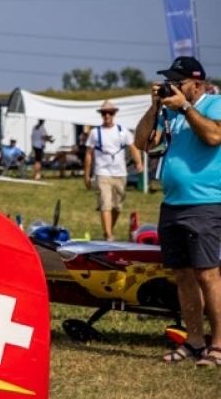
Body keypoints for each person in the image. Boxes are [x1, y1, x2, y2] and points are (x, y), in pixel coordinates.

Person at [134, 56, 221, 366]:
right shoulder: (169, 112)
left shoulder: (215, 105)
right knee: (183, 275)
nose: (173, 87)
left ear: (196, 83)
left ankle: (218, 345)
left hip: (206, 203)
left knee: (208, 274)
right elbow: (142, 142)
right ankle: (195, 341)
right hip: (172, 204)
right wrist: (155, 106)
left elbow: (214, 137)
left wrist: (185, 106)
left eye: (178, 82)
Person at [83, 100, 143, 240]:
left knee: (117, 207)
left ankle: (108, 230)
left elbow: (133, 147)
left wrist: (138, 162)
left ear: (114, 114)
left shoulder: (123, 131)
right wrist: (86, 175)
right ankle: (109, 235)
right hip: (102, 173)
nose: (107, 115)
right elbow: (88, 154)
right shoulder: (94, 133)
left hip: (120, 173)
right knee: (105, 204)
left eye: (109, 113)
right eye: (104, 113)